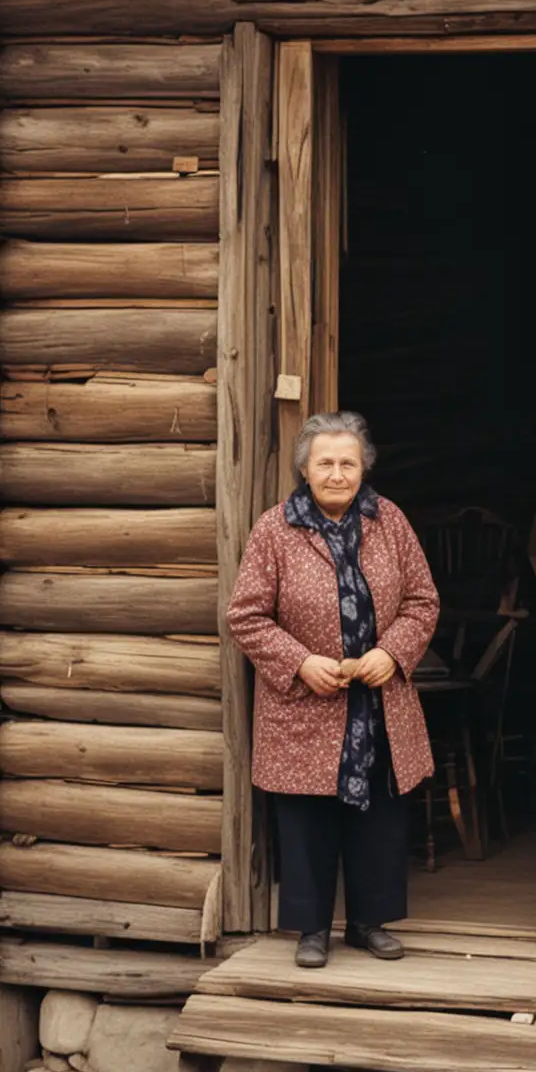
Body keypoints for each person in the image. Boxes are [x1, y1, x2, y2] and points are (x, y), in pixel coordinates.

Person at [227, 411, 439, 967]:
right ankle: (312, 929)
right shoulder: (275, 528)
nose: (338, 473)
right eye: (326, 462)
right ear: (305, 468)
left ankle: (370, 923)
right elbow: (246, 616)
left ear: (364, 467)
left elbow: (423, 601)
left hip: (378, 697)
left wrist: (390, 654)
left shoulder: (389, 521)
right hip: (306, 701)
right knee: (306, 816)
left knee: (379, 812)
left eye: (348, 462)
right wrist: (300, 663)